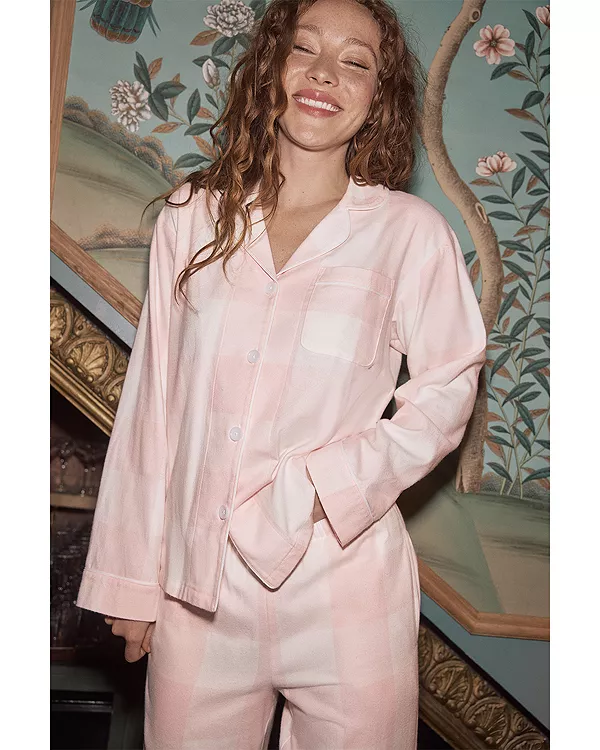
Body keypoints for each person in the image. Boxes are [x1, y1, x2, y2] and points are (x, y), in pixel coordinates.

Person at [76, 0, 488, 747]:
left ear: (377, 98)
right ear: (272, 66)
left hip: (347, 588)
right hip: (198, 591)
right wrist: (128, 581)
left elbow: (448, 391)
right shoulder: (191, 217)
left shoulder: (410, 234)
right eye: (305, 49)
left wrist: (317, 486)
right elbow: (152, 407)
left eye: (355, 61)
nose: (325, 73)